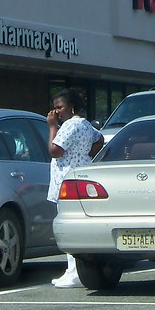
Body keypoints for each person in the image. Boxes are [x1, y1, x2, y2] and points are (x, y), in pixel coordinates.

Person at [47, 88, 104, 288]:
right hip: (81, 178)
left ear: (71, 107)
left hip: (67, 182)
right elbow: (100, 139)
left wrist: (52, 126)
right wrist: (87, 152)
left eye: (60, 107)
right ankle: (73, 270)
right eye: (55, 109)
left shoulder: (69, 125)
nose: (56, 112)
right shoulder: (84, 124)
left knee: (67, 226)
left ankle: (74, 272)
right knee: (77, 226)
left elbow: (54, 150)